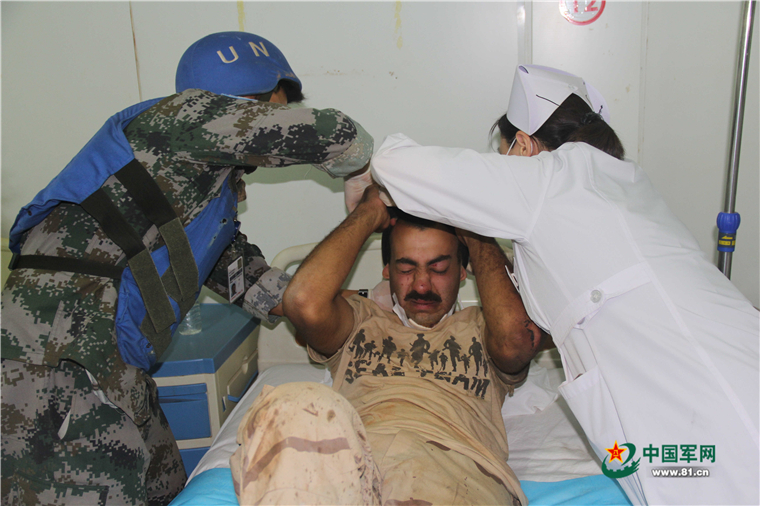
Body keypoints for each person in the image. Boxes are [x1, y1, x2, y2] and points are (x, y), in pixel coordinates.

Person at [1, 31, 373, 505]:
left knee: (167, 488)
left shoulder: (193, 190)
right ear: (262, 93)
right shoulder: (179, 118)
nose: (284, 111)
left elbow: (250, 281)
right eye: (282, 101)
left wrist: (348, 303)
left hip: (113, 365)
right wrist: (363, 178)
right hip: (51, 362)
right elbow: (338, 135)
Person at [369, 64, 759, 505]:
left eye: (503, 154)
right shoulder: (619, 183)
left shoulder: (549, 178)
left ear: (522, 145)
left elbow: (391, 162)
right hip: (720, 375)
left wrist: (369, 188)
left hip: (714, 409)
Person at [229, 185, 551, 505]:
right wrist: (369, 213)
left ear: (462, 271)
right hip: (351, 462)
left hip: (452, 469)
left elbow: (516, 338)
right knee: (292, 402)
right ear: (387, 270)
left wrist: (476, 234)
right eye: (406, 268)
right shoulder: (360, 321)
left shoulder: (484, 330)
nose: (421, 284)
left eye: (439, 268)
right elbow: (302, 302)